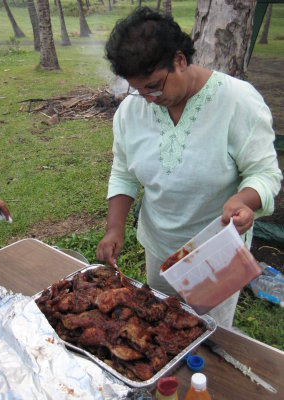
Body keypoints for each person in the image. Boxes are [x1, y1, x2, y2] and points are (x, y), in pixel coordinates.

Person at [96, 7, 282, 327]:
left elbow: (265, 174)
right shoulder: (131, 111)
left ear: (180, 60)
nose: (149, 99)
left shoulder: (238, 102)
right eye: (139, 90)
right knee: (160, 325)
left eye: (154, 86)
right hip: (159, 247)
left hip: (216, 255)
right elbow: (123, 172)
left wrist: (244, 200)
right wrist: (115, 228)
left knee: (208, 336)